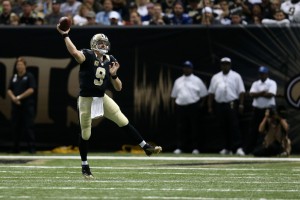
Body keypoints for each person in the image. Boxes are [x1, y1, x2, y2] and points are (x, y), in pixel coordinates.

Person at [56, 25, 162, 179]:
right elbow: (74, 53)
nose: (104, 46)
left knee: (123, 120)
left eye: (105, 43)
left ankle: (145, 147)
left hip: (101, 97)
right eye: (100, 43)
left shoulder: (111, 59)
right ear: (94, 44)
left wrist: (113, 75)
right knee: (86, 133)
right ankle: (85, 166)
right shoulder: (88, 54)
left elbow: (118, 87)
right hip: (86, 99)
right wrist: (65, 35)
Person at [207, 57, 245, 156]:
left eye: (227, 64)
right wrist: (210, 106)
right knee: (222, 126)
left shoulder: (236, 76)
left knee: (234, 126)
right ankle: (226, 147)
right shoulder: (215, 77)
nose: (225, 66)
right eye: (223, 64)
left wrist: (241, 104)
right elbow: (211, 92)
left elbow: (241, 91)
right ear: (221, 65)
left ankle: (237, 147)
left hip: (231, 103)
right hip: (219, 104)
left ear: (230, 65)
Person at [171, 61, 208, 154]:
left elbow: (204, 94)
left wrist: (201, 104)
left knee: (195, 127)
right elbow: (174, 95)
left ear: (191, 69)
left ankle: (195, 148)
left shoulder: (197, 80)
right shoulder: (178, 80)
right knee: (181, 128)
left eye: (188, 67)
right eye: (185, 67)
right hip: (181, 106)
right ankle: (180, 147)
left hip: (193, 106)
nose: (186, 69)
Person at [7, 57, 37, 154]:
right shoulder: (14, 77)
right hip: (16, 107)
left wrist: (19, 97)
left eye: (21, 65)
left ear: (25, 66)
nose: (19, 66)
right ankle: (15, 148)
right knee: (15, 127)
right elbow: (9, 89)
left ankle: (31, 148)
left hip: (27, 106)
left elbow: (31, 89)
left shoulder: (29, 76)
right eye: (17, 65)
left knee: (28, 127)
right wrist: (14, 98)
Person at [245, 66, 277, 154]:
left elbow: (270, 94)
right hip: (257, 110)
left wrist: (257, 94)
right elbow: (251, 94)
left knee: (267, 130)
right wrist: (263, 93)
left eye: (263, 74)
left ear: (267, 74)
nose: (261, 75)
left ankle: (265, 149)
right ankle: (250, 150)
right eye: (260, 74)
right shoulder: (255, 83)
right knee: (254, 129)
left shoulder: (272, 83)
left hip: (268, 110)